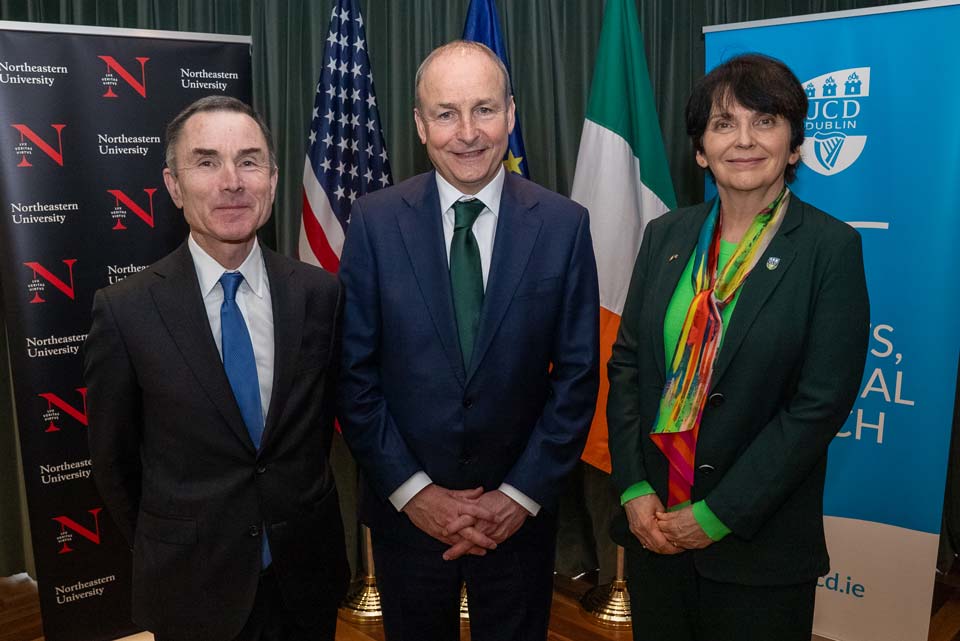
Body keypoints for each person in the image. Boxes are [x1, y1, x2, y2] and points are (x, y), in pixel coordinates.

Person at [337, 40, 600, 641]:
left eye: (484, 109)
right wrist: (416, 493)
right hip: (409, 520)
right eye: (446, 113)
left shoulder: (563, 225)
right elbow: (354, 374)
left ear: (511, 114)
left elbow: (579, 375)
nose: (468, 132)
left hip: (520, 521)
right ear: (420, 124)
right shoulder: (374, 222)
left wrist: (518, 495)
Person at [607, 53, 870, 641]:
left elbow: (818, 405)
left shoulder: (831, 249)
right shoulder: (666, 235)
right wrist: (632, 487)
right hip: (654, 530)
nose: (744, 140)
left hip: (759, 546)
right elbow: (627, 365)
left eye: (766, 120)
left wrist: (716, 515)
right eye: (724, 124)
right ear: (700, 148)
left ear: (795, 144)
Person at [84, 96, 349, 641]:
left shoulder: (319, 294)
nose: (232, 181)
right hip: (190, 588)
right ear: (174, 185)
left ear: (273, 181)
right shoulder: (126, 310)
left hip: (304, 579)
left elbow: (313, 433)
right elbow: (115, 462)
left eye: (249, 161)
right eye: (206, 162)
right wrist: (173, 543)